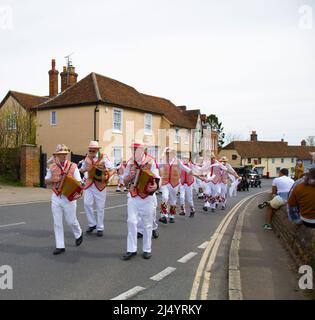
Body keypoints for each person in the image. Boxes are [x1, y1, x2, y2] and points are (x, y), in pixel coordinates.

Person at [122, 139, 160, 260]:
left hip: (147, 197)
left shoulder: (151, 161)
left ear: (143, 150)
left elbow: (158, 178)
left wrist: (156, 186)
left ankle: (147, 249)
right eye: (132, 149)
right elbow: (124, 180)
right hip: (133, 195)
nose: (134, 151)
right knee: (131, 221)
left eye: (136, 149)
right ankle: (131, 249)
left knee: (147, 224)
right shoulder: (130, 163)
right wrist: (129, 177)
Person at [45, 144, 83, 255]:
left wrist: (71, 184)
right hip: (56, 197)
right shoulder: (52, 167)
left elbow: (79, 182)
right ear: (56, 155)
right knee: (57, 222)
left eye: (65, 154)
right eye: (61, 154)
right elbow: (46, 181)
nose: (63, 156)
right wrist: (53, 179)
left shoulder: (73, 166)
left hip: (69, 198)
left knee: (71, 221)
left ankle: (78, 232)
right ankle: (60, 246)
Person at [80, 141, 115, 237]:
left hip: (100, 185)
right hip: (89, 183)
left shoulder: (103, 157)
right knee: (87, 204)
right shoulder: (87, 157)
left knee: (100, 207)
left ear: (97, 150)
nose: (91, 151)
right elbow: (82, 169)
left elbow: (112, 169)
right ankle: (92, 224)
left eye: (93, 150)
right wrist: (85, 169)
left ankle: (100, 227)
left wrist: (107, 177)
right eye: (90, 150)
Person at [158, 147, 180, 224]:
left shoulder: (177, 161)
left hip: (174, 183)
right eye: (167, 154)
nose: (168, 155)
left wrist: (191, 171)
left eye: (170, 153)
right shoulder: (163, 161)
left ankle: (172, 216)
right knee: (165, 197)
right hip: (165, 182)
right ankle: (163, 215)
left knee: (173, 200)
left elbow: (184, 168)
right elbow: (157, 166)